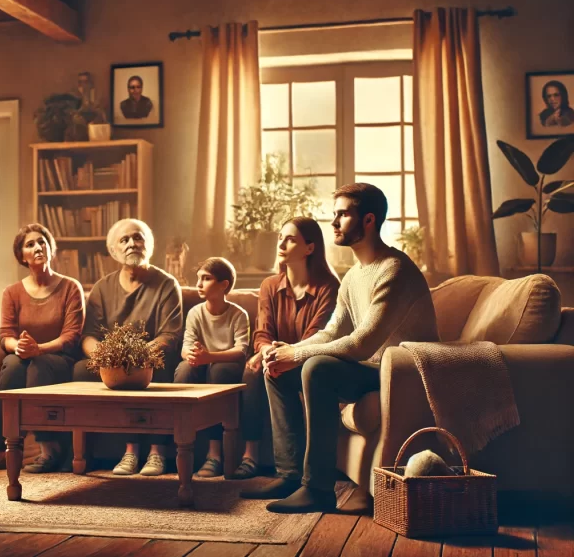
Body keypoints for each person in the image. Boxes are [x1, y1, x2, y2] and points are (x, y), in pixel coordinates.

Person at [242, 183, 439, 514]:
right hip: (373, 369)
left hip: (403, 373)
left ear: (368, 221)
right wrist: (286, 352)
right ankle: (290, 475)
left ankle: (317, 489)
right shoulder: (353, 277)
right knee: (277, 369)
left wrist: (298, 355)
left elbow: (362, 343)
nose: (333, 222)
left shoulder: (395, 269)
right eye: (334, 214)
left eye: (343, 214)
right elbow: (332, 331)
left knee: (317, 367)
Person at [73, 219, 182, 476]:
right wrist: (105, 356)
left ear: (149, 245)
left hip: (150, 356)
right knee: (80, 369)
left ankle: (157, 452)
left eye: (138, 238)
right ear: (113, 250)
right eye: (124, 240)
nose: (132, 243)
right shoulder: (102, 288)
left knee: (158, 365)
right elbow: (88, 335)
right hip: (111, 360)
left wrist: (137, 356)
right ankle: (125, 451)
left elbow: (170, 334)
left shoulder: (167, 285)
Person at [243, 217, 340, 481]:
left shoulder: (329, 287)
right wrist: (267, 353)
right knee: (265, 370)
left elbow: (318, 336)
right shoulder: (270, 286)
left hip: (311, 361)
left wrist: (286, 356)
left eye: (291, 239)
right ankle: (280, 471)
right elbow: (263, 333)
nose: (282, 244)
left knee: (278, 372)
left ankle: (289, 475)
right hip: (277, 360)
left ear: (310, 248)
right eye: (280, 238)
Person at [0, 224, 85, 473]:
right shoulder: (12, 293)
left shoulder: (71, 287)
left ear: (51, 249)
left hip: (58, 358)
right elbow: (5, 335)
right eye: (30, 244)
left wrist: (38, 349)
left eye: (42, 242)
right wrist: (18, 346)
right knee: (11, 367)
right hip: (23, 355)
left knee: (37, 366)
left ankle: (49, 449)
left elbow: (71, 337)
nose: (38, 247)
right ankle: (1, 447)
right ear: (22, 256)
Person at [173, 257, 252, 478]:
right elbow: (186, 347)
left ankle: (215, 455)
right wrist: (193, 356)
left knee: (218, 371)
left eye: (206, 279)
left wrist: (210, 357)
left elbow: (241, 351)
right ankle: (180, 445)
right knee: (183, 370)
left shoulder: (238, 314)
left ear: (224, 285)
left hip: (225, 366)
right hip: (201, 363)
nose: (199, 283)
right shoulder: (196, 312)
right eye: (198, 278)